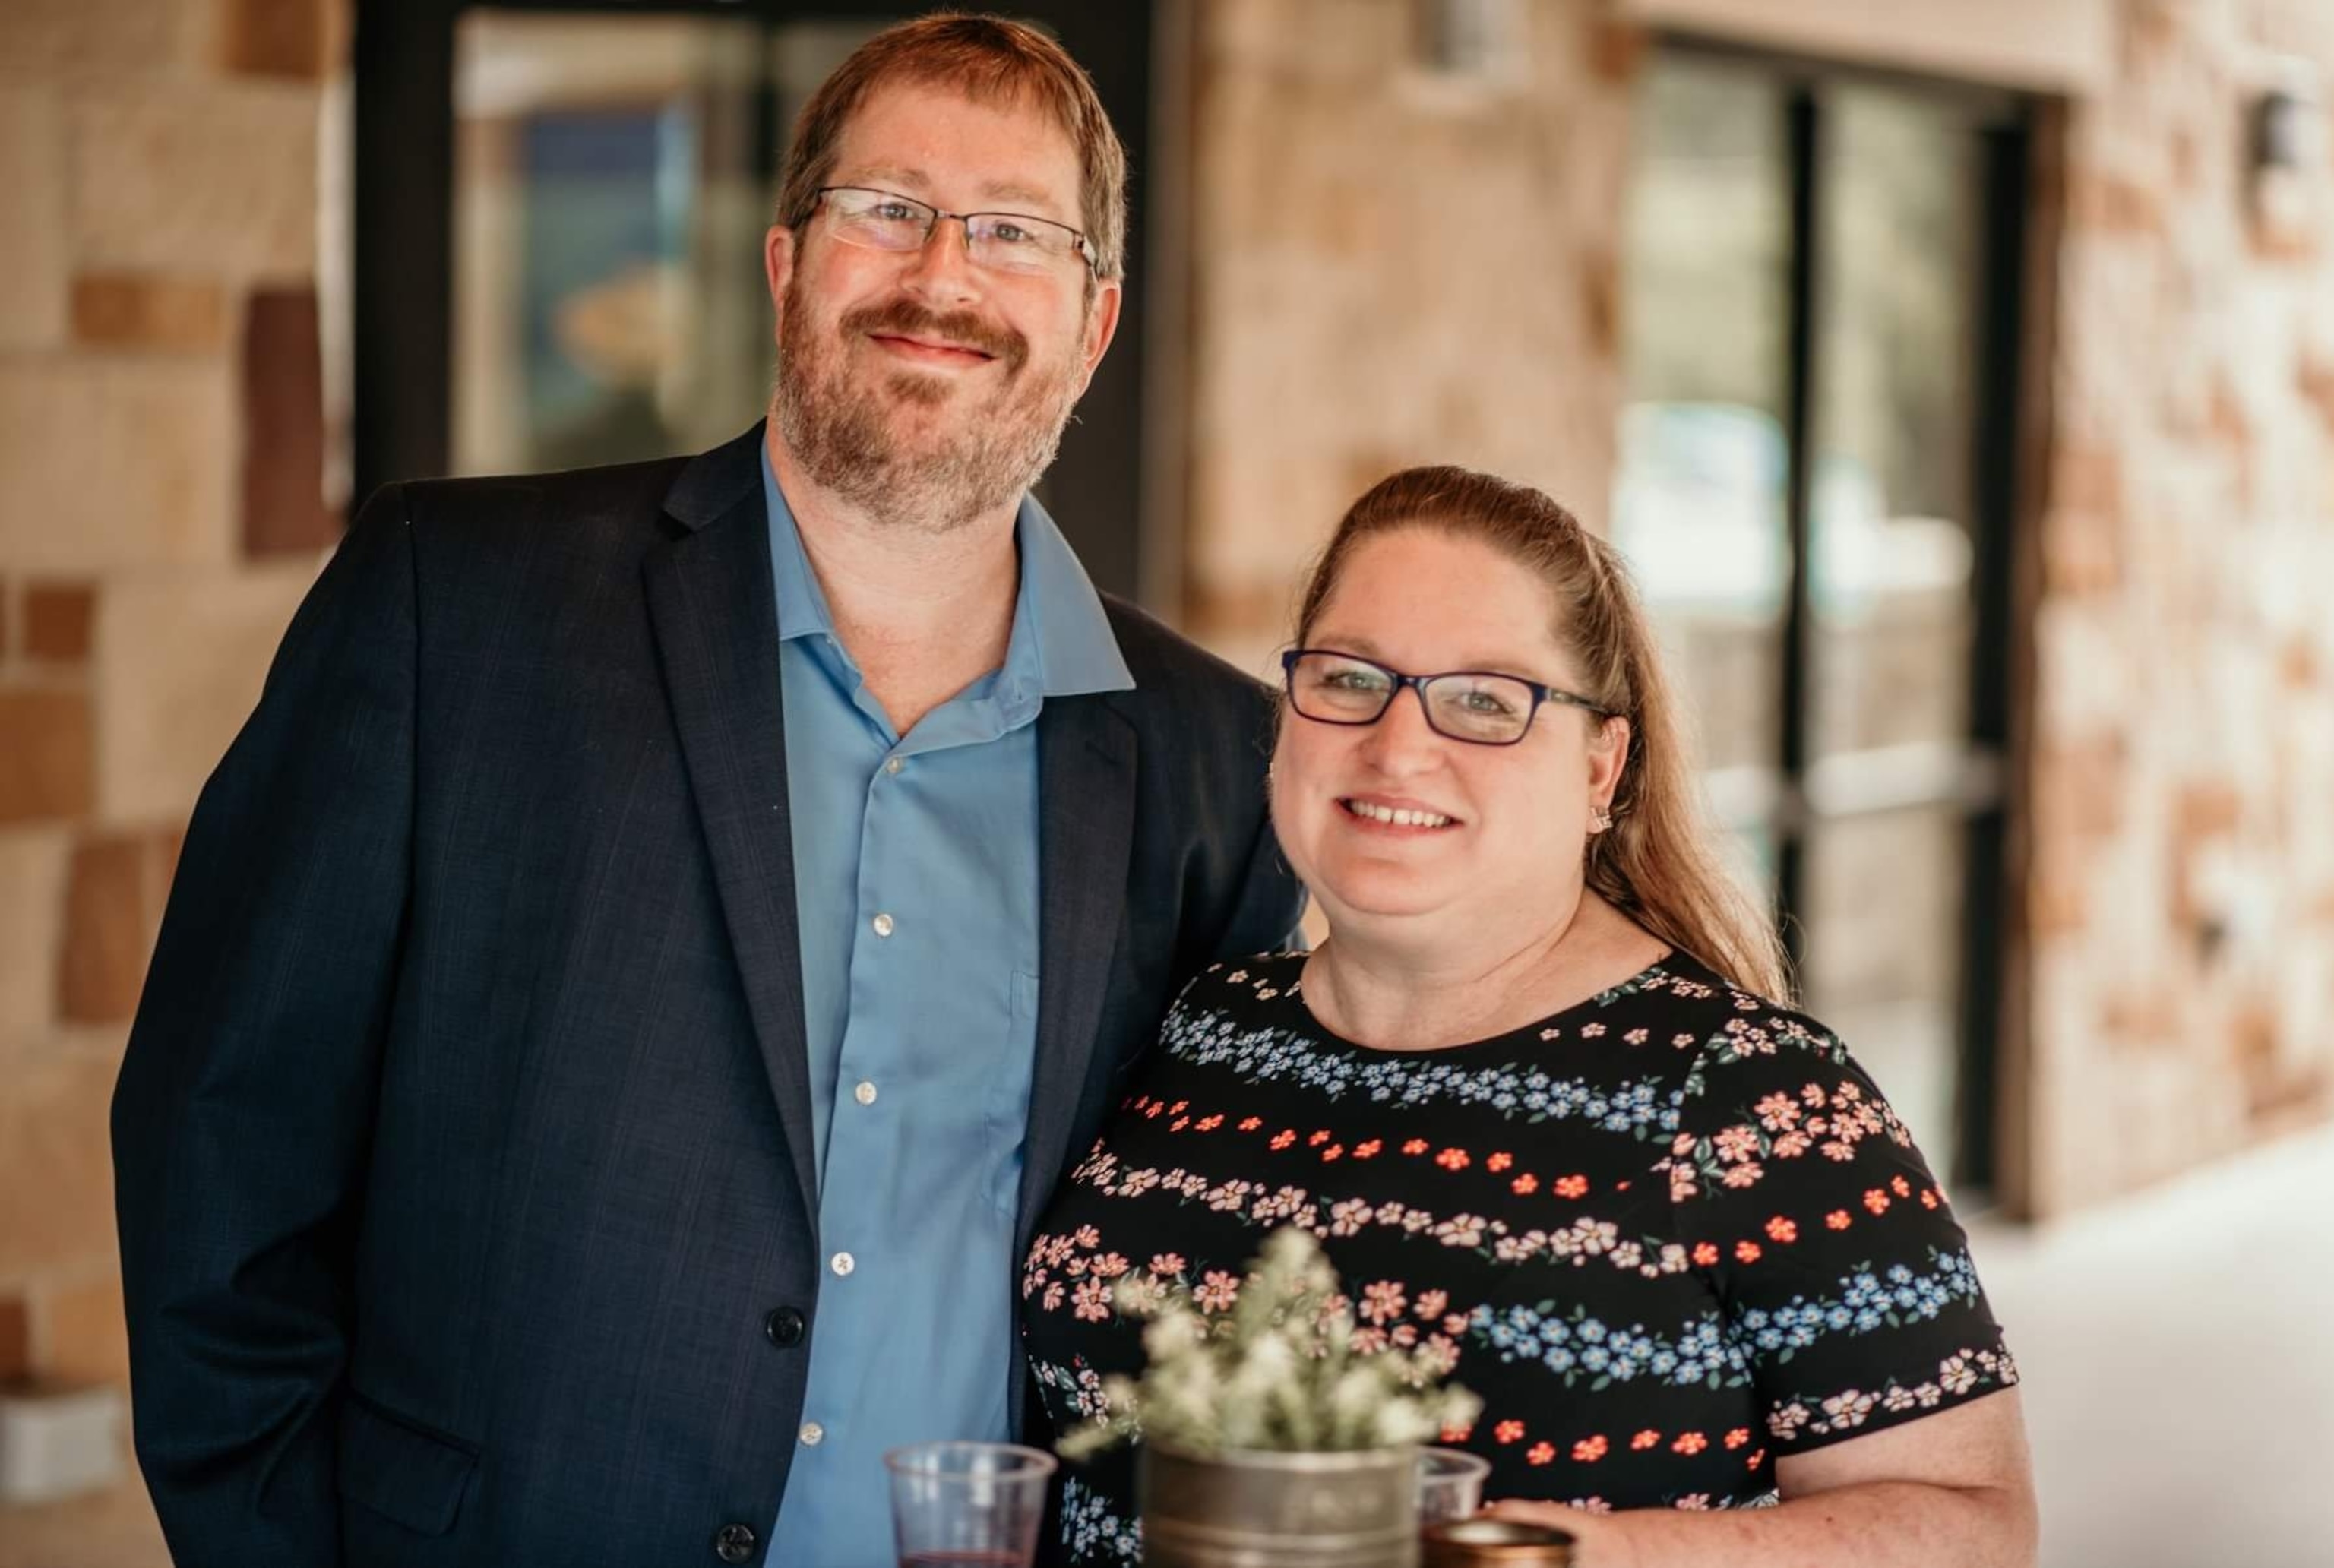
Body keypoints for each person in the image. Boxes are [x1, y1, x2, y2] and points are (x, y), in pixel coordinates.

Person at [109, 17, 1303, 1568]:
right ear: (785, 262)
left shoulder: (1215, 760)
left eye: (1014, 232)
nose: (944, 274)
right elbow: (222, 1140)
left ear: (1094, 321)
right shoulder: (452, 608)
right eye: (889, 207)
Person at [1023, 466, 2036, 1567]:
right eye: (1351, 677)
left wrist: (1582, 1556)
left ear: (1602, 768)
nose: (1400, 746)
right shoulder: (1204, 1025)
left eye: (1487, 701)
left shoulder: (1754, 1096)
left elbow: (1971, 1526)